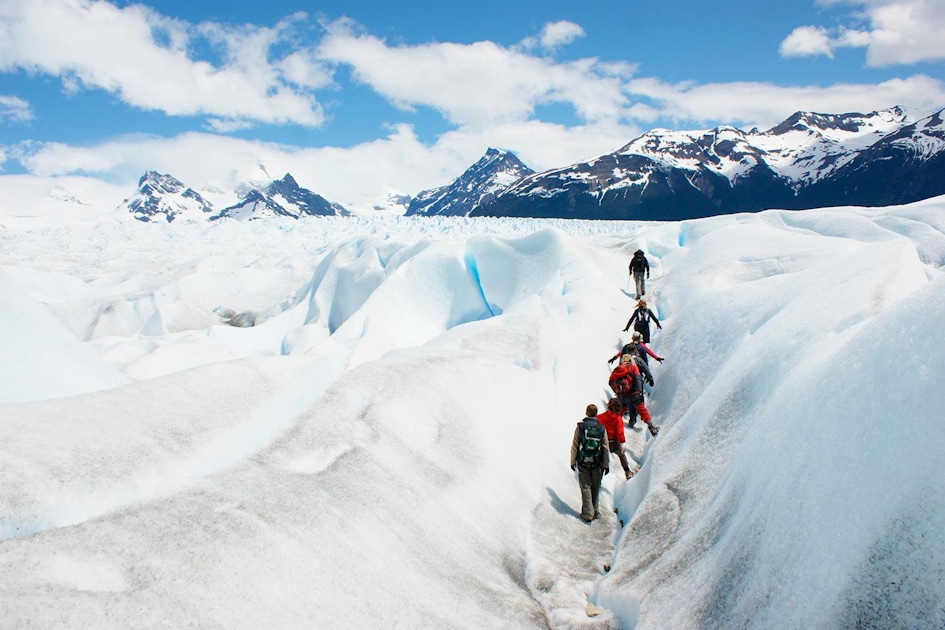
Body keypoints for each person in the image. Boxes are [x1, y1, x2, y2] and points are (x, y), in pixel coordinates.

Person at [570, 404, 610, 522]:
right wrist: (606, 464)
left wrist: (573, 461)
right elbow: (605, 448)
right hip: (597, 462)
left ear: (586, 413)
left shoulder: (581, 427)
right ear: (596, 414)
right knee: (596, 486)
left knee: (585, 486)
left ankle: (588, 513)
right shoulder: (601, 428)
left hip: (583, 461)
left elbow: (575, 445)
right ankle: (595, 511)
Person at [608, 356, 660, 435]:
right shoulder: (633, 367)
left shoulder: (616, 369)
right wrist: (639, 392)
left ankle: (611, 431)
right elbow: (638, 379)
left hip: (622, 396)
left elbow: (610, 382)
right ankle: (651, 427)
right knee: (642, 410)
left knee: (619, 413)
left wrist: (617, 392)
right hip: (633, 394)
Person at [597, 398, 636, 479]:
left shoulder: (600, 417)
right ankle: (627, 472)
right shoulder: (618, 419)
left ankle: (598, 480)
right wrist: (622, 442)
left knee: (601, 461)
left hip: (601, 442)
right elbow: (620, 433)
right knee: (621, 455)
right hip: (613, 443)